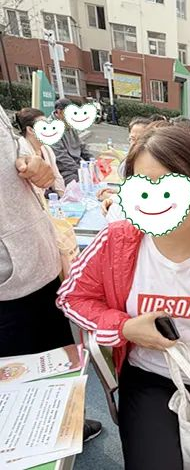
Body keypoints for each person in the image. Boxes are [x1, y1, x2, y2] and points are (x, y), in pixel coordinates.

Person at [56, 125, 190, 470]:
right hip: (150, 376)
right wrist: (126, 327)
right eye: (144, 188)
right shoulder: (117, 241)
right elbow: (72, 297)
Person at [0, 104, 102, 443]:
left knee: (58, 363)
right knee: (19, 389)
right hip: (9, 283)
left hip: (39, 266)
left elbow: (17, 157)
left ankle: (66, 425)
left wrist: (34, 164)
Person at [15, 107, 65, 198]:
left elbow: (57, 177)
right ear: (30, 130)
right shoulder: (21, 151)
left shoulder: (46, 149)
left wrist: (64, 199)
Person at [51, 98, 93, 185]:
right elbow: (61, 157)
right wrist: (80, 171)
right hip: (63, 170)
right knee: (84, 183)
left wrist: (92, 161)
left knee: (97, 175)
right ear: (59, 112)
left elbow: (81, 146)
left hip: (76, 165)